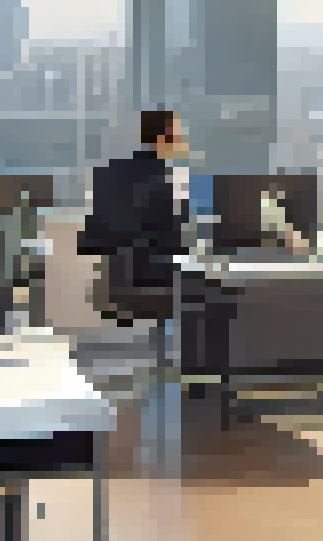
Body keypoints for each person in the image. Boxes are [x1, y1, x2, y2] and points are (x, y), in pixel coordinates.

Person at [81, 110, 232, 378]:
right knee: (222, 288)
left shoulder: (113, 172)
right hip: (152, 276)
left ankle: (177, 362)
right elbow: (175, 241)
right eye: (179, 134)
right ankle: (209, 371)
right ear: (165, 137)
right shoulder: (164, 179)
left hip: (117, 279)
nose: (183, 140)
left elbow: (96, 237)